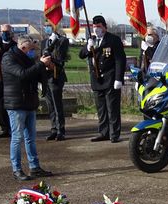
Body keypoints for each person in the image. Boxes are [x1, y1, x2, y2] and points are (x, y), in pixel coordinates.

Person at [2, 35, 54, 181]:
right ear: (23, 47)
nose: (33, 52)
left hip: (29, 102)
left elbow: (35, 75)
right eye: (31, 49)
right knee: (17, 138)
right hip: (16, 103)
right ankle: (16, 169)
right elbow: (22, 75)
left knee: (30, 137)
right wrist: (39, 64)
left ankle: (34, 167)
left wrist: (46, 67)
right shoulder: (8, 58)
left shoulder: (27, 58)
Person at [79, 15, 126, 143]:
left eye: (99, 26)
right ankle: (103, 132)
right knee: (101, 109)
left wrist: (119, 79)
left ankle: (114, 134)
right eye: (94, 27)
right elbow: (81, 55)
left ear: (104, 27)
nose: (96, 29)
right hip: (97, 80)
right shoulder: (92, 40)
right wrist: (88, 48)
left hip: (110, 79)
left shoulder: (113, 40)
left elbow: (120, 60)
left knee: (112, 108)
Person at [41, 22, 70, 141]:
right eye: (45, 25)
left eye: (48, 25)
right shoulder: (44, 42)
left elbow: (59, 58)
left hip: (56, 76)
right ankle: (53, 129)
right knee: (50, 105)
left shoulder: (62, 41)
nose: (46, 27)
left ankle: (60, 130)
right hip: (46, 77)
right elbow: (42, 57)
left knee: (57, 104)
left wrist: (53, 43)